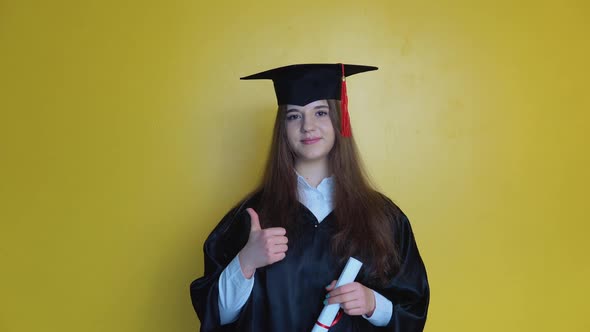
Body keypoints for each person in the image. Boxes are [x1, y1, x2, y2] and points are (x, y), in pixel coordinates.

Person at [190, 63, 429, 331]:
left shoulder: (383, 218)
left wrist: (372, 303)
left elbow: (413, 310)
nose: (308, 126)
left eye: (321, 112)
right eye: (294, 116)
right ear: (283, 128)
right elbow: (215, 315)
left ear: (339, 119)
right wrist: (245, 262)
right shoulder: (251, 217)